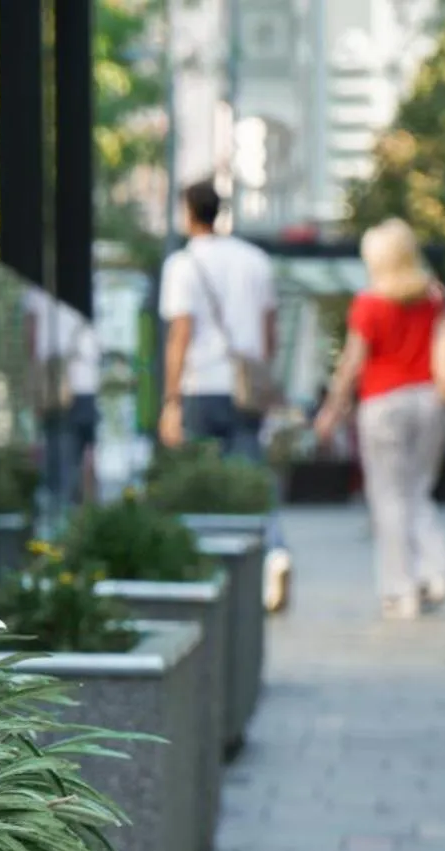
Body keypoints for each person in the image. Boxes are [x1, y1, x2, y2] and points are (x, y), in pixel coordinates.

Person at [313, 218, 445, 621]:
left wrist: (331, 412)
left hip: (384, 405)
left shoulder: (369, 304)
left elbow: (352, 365)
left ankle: (400, 591)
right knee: (417, 491)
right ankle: (436, 571)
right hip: (429, 402)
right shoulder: (433, 298)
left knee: (388, 498)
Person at [158, 180, 289, 608]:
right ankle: (272, 553)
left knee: (202, 486)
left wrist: (171, 401)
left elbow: (181, 333)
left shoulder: (183, 265)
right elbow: (270, 330)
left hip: (202, 387)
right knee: (251, 479)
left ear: (188, 213)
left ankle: (211, 572)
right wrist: (262, 379)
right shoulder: (256, 260)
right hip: (244, 388)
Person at [25, 285, 101, 522]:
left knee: (59, 470)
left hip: (56, 389)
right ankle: (85, 521)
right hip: (86, 383)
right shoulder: (89, 281)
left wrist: (34, 387)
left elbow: (31, 340)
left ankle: (62, 527)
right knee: (85, 459)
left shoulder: (35, 290)